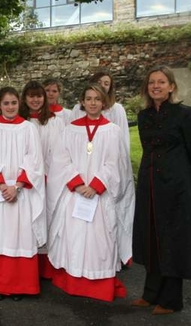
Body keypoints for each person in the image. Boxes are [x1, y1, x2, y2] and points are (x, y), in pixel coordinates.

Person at [131, 65, 191, 315]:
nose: (156, 86)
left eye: (161, 82)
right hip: (150, 184)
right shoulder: (144, 116)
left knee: (172, 239)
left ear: (171, 87)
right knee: (151, 235)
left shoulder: (185, 114)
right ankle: (150, 294)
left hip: (176, 186)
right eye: (152, 82)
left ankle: (171, 300)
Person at [46, 84, 127, 302]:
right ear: (82, 102)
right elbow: (61, 160)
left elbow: (115, 163)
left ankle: (98, 283)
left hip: (99, 196)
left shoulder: (112, 131)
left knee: (99, 238)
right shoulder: (70, 129)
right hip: (76, 195)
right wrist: (78, 184)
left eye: (97, 99)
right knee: (73, 236)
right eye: (88, 99)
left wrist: (97, 185)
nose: (92, 103)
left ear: (104, 103)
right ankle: (71, 280)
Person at [0, 87, 45, 300]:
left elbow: (34, 159)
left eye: (13, 103)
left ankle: (19, 285)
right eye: (6, 103)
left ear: (18, 103)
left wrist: (18, 186)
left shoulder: (28, 128)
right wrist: (3, 185)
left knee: (18, 237)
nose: (10, 107)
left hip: (20, 192)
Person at [19, 80, 67, 279]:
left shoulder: (55, 120)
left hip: (49, 178)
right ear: (25, 98)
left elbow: (61, 151)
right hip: (25, 180)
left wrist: (49, 175)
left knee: (47, 218)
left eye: (39, 96)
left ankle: (48, 267)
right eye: (31, 96)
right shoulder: (20, 122)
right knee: (27, 220)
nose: (35, 99)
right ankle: (29, 266)